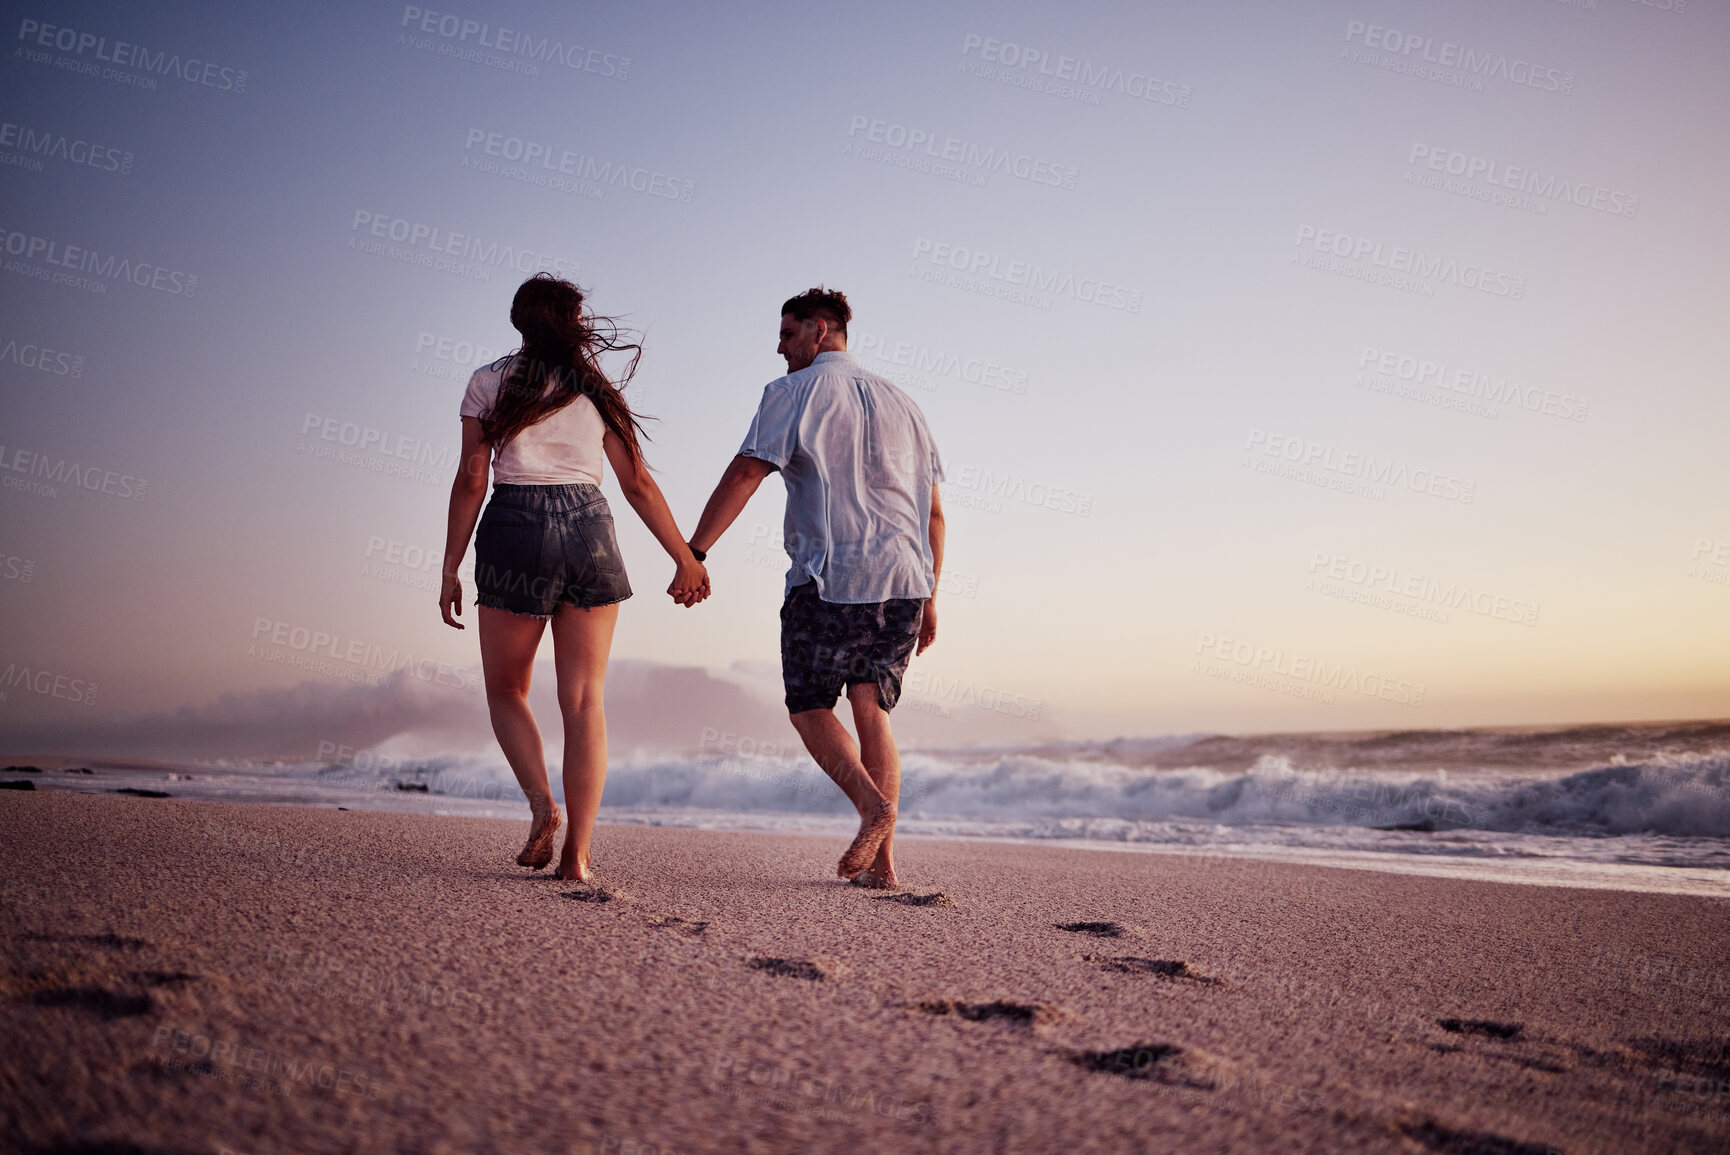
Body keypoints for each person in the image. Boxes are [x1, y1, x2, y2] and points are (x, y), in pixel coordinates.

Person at [440, 273, 708, 882]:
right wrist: (684, 557)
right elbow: (637, 483)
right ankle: (578, 858)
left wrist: (451, 566)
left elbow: (471, 481)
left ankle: (542, 805)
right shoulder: (595, 389)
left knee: (507, 690)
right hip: (590, 527)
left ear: (518, 320)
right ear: (577, 323)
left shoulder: (488, 382)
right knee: (584, 701)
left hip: (513, 525)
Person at [688, 287, 945, 889]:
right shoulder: (905, 402)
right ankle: (882, 869)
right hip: (906, 579)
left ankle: (871, 806)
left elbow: (749, 469)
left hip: (831, 578)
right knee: (871, 706)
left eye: (787, 335)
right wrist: (931, 593)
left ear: (820, 330)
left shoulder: (792, 392)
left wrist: (696, 551)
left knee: (808, 706)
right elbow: (933, 512)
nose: (779, 350)